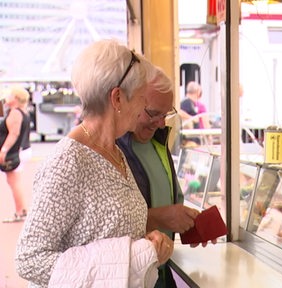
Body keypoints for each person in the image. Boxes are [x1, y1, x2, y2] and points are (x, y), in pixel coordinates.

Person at [15, 39, 174, 288]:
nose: (145, 107)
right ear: (118, 98)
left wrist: (145, 246)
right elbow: (29, 259)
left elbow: (105, 235)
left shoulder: (114, 151)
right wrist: (122, 263)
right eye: (142, 98)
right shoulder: (68, 162)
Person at [117, 66, 205, 288]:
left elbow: (171, 199)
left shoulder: (158, 140)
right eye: (153, 113)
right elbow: (106, 227)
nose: (161, 123)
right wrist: (160, 217)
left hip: (161, 275)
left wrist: (193, 225)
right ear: (131, 101)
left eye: (166, 114)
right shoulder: (111, 150)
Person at [0, 86, 31, 222]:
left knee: (13, 182)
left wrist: (4, 150)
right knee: (13, 181)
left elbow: (14, 133)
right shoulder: (20, 111)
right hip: (18, 150)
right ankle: (22, 209)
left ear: (16, 98)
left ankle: (20, 211)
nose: (7, 97)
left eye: (10, 95)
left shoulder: (15, 113)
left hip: (13, 152)